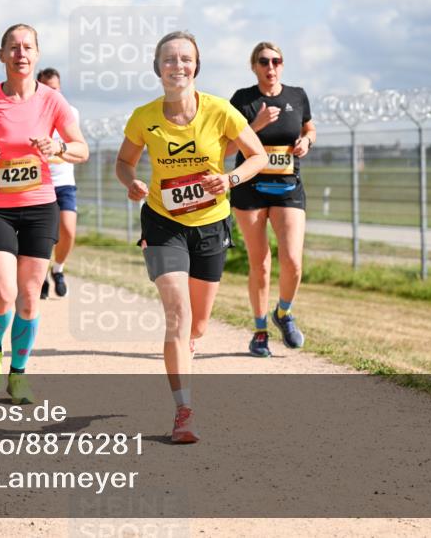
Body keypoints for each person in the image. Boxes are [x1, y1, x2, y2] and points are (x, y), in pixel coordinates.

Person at [115, 31, 267, 443]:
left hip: (211, 225)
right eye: (169, 59)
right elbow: (124, 162)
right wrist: (132, 183)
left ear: (196, 66)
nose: (177, 65)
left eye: (185, 59)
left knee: (198, 323)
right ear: (157, 67)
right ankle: (184, 410)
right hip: (163, 223)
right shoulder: (144, 117)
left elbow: (259, 156)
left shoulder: (220, 111)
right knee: (178, 315)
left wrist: (230, 178)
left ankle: (189, 344)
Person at [0, 23, 88, 405]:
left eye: (28, 47)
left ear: (36, 55)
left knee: (29, 298)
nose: (21, 53)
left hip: (39, 207)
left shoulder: (52, 101)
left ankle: (18, 374)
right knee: (3, 293)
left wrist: (58, 147)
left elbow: (80, 148)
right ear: (2, 55)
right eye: (13, 47)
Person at [228, 41, 316, 357]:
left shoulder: (297, 95)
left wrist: (307, 140)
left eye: (276, 61)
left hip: (288, 186)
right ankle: (260, 330)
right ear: (254, 66)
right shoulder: (242, 100)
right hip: (250, 187)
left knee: (292, 260)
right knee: (260, 263)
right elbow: (225, 149)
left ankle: (284, 312)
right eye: (264, 61)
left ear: (282, 65)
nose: (271, 67)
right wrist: (256, 126)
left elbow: (310, 127)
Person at [36, 67, 80, 299]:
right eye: (46, 89)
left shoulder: (71, 112)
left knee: (68, 231)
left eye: (55, 89)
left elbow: (77, 145)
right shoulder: (32, 113)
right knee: (42, 236)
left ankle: (58, 269)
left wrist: (61, 150)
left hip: (64, 182)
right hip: (39, 183)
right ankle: (41, 276)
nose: (52, 93)